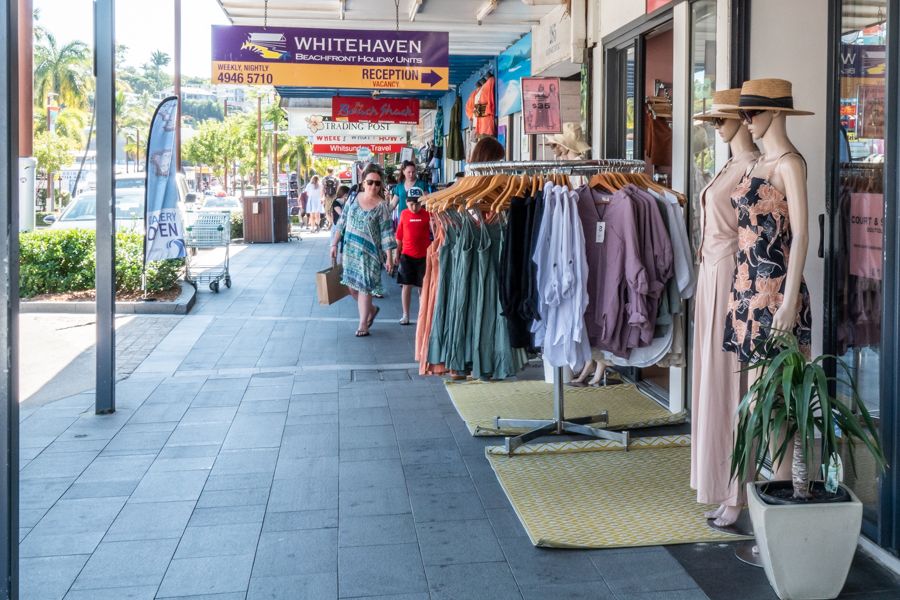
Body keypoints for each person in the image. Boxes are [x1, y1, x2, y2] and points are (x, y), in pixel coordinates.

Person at [331, 164, 396, 337]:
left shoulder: (382, 206)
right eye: (370, 182)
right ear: (363, 182)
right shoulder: (353, 198)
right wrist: (334, 244)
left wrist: (389, 257)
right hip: (351, 250)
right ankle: (371, 310)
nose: (373, 186)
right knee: (352, 288)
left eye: (377, 183)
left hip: (371, 254)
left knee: (365, 288)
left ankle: (363, 324)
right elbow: (342, 222)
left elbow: (387, 233)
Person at [395, 187, 431, 325]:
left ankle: (422, 315)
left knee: (423, 287)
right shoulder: (404, 214)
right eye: (411, 204)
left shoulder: (428, 214)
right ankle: (406, 314)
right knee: (406, 286)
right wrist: (397, 253)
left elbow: (435, 231)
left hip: (423, 256)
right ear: (406, 202)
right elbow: (399, 236)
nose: (414, 207)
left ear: (422, 203)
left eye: (417, 203)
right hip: (407, 256)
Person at [330, 184, 350, 259]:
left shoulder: (345, 203)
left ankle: (341, 266)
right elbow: (342, 214)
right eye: (348, 195)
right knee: (334, 247)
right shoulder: (336, 202)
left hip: (344, 227)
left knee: (342, 248)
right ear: (345, 194)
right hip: (336, 227)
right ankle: (334, 266)